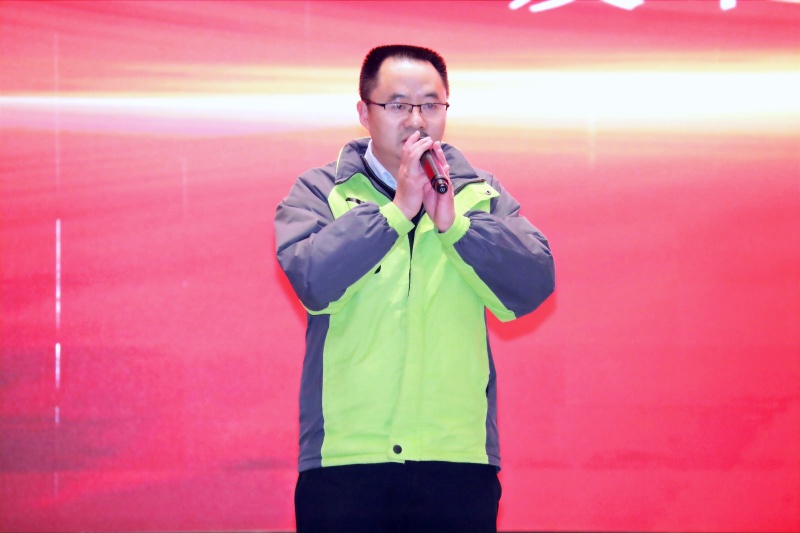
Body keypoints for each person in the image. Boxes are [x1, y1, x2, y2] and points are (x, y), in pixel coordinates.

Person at [274, 44, 555, 533]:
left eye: (430, 104)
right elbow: (314, 280)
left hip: (456, 461)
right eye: (398, 105)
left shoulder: (479, 194)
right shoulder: (321, 192)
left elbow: (533, 283)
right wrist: (396, 211)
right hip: (346, 460)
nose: (416, 120)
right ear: (364, 112)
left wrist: (457, 227)